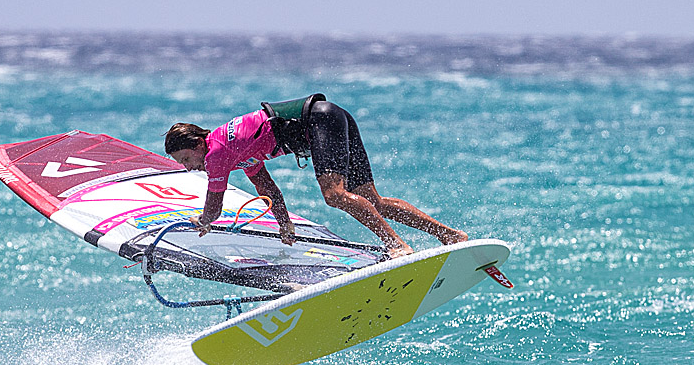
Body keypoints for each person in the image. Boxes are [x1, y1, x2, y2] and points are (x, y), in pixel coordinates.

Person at [164, 95, 468, 259]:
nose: (190, 167)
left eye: (187, 160)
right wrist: (285, 224)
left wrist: (202, 222)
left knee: (334, 195)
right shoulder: (232, 150)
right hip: (334, 116)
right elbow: (267, 187)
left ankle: (397, 245)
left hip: (320, 121)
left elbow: (214, 208)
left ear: (196, 144)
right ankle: (448, 235)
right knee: (373, 201)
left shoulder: (216, 154)